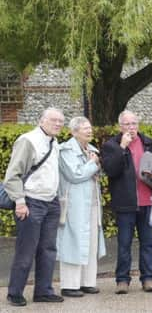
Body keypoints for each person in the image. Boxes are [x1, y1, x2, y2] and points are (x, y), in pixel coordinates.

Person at [102, 110, 152, 294]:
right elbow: (110, 170)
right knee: (124, 243)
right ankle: (122, 280)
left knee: (148, 242)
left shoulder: (149, 144)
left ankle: (148, 278)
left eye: (134, 124)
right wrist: (121, 148)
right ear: (120, 126)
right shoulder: (111, 146)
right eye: (127, 124)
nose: (131, 128)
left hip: (147, 201)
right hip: (125, 202)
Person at [4, 108, 65, 307]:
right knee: (26, 249)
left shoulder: (54, 142)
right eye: (54, 120)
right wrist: (20, 202)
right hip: (31, 202)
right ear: (42, 120)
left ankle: (43, 291)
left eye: (61, 121)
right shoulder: (28, 140)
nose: (58, 124)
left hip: (51, 202)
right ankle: (15, 292)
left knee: (48, 249)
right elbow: (12, 175)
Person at [57, 116, 106, 297]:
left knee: (91, 241)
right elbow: (75, 174)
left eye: (90, 127)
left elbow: (94, 174)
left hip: (93, 202)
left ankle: (88, 282)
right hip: (74, 204)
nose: (89, 130)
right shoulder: (66, 150)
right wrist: (93, 164)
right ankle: (69, 285)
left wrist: (94, 166)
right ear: (74, 132)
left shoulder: (92, 150)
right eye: (85, 128)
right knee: (73, 240)